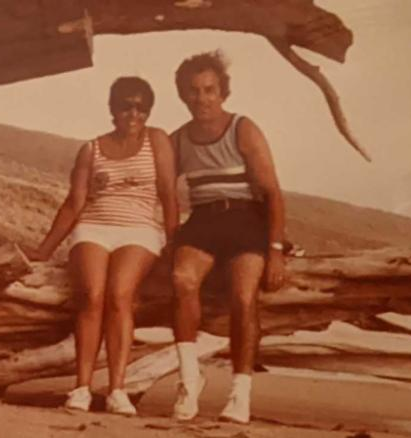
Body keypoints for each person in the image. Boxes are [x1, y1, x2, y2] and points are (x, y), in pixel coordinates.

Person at [30, 77, 178, 416]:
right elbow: (74, 203)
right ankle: (81, 388)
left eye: (141, 107)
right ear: (113, 108)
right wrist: (45, 249)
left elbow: (169, 196)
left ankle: (116, 390)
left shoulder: (157, 141)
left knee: (120, 295)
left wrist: (174, 245)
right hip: (95, 227)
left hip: (139, 230)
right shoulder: (91, 149)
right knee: (92, 296)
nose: (134, 113)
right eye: (126, 105)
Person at [169, 51, 286, 424]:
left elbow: (272, 193)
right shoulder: (178, 140)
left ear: (223, 92)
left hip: (246, 219)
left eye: (209, 90)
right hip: (203, 220)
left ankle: (240, 392)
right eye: (193, 91)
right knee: (181, 279)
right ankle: (190, 380)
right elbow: (162, 190)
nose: (202, 98)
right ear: (182, 95)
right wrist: (171, 238)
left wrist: (276, 249)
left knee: (243, 296)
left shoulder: (242, 128)